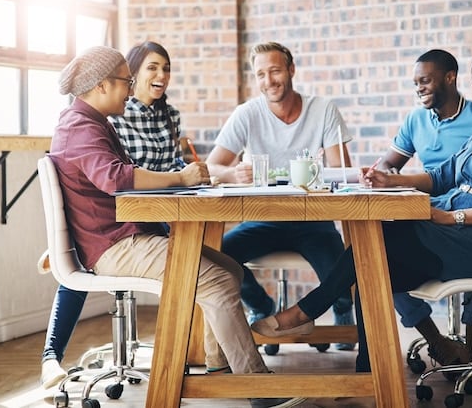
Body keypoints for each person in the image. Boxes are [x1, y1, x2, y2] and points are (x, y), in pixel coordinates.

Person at [252, 48, 472, 374]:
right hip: (464, 228)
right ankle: (367, 369)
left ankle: (306, 313)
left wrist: (449, 216)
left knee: (378, 242)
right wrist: (387, 180)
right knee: (372, 261)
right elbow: (444, 175)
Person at [45, 45, 305, 408]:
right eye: (126, 81)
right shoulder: (80, 126)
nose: (130, 87)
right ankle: (258, 387)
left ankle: (220, 369)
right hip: (115, 246)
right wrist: (179, 176)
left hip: (124, 237)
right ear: (102, 85)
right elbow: (116, 178)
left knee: (228, 270)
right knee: (213, 280)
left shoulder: (91, 123)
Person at [205, 41, 356, 350]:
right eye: (260, 74)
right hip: (265, 219)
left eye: (274, 71)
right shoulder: (247, 114)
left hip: (313, 219)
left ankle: (342, 310)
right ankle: (262, 306)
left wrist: (327, 175)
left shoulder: (322, 109)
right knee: (215, 257)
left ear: (291, 70)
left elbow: (341, 172)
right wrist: (233, 173)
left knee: (343, 274)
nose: (268, 81)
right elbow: (212, 165)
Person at [379, 48, 472, 379]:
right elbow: (389, 162)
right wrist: (383, 172)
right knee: (373, 251)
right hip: (425, 213)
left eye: (426, 80)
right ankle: (439, 342)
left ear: (450, 78)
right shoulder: (416, 120)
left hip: (468, 211)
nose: (419, 88)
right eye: (415, 82)